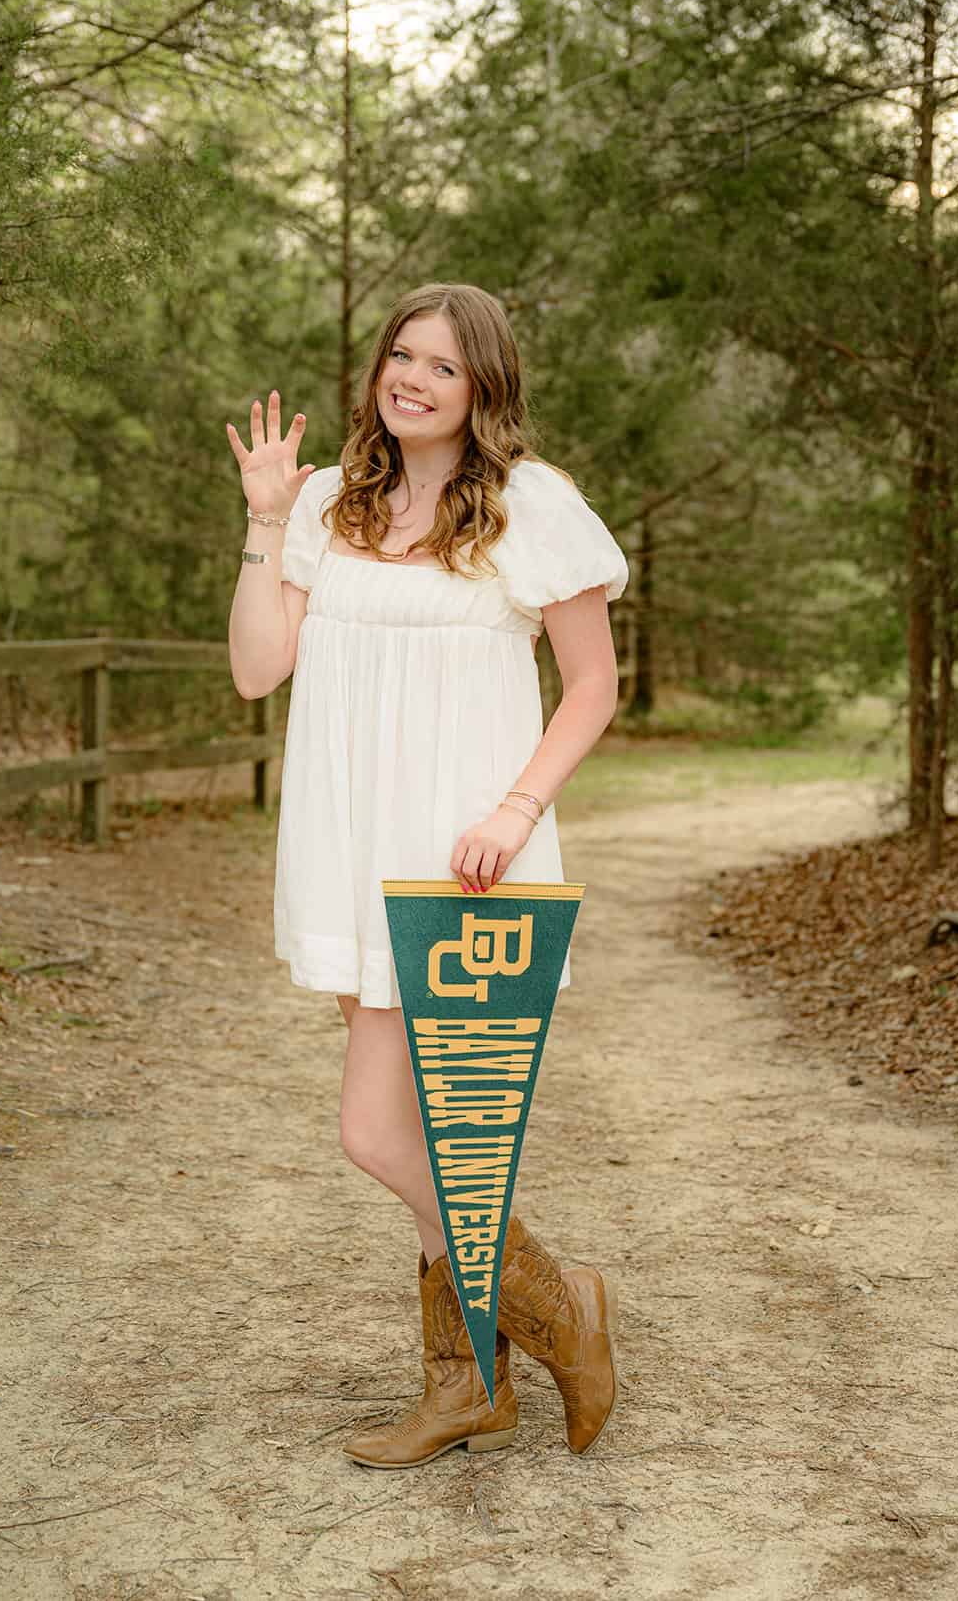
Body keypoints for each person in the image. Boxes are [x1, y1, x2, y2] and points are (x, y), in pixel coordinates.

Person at [225, 282, 630, 1470]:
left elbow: (593, 685)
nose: (412, 378)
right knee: (432, 1135)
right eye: (400, 355)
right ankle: (472, 1383)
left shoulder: (531, 504)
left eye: (442, 365)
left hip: (467, 859)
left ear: (481, 385)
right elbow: (256, 670)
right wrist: (262, 517)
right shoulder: (325, 503)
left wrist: (516, 808)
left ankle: (555, 1307)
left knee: (383, 1131)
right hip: (352, 845)